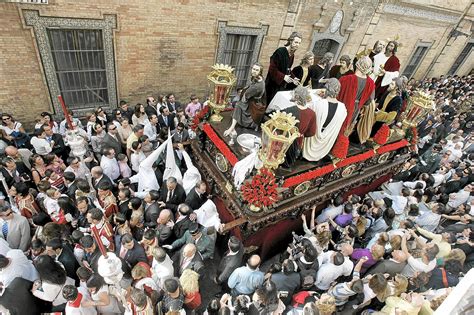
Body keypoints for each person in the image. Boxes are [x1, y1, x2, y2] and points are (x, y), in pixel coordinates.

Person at [331, 56, 375, 159]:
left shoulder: (346, 79)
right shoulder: (371, 83)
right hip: (355, 110)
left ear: (357, 65)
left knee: (335, 127)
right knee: (347, 129)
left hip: (340, 108)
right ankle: (337, 151)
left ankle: (330, 148)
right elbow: (368, 102)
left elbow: (334, 95)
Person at [302, 78, 347, 162]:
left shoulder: (318, 103)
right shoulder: (343, 108)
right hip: (324, 147)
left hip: (310, 141)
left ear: (326, 88)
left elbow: (305, 110)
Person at [224, 63, 266, 138]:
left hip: (254, 105)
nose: (254, 71)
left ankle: (232, 127)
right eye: (253, 69)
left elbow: (246, 97)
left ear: (260, 72)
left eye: (257, 70)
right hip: (253, 100)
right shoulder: (258, 78)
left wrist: (242, 95)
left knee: (238, 105)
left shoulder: (257, 86)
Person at [282, 86, 316, 167]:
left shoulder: (288, 110)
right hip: (298, 141)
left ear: (296, 97)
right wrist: (301, 133)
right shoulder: (311, 113)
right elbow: (311, 132)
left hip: (285, 140)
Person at [265, 31, 302, 103]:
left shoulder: (292, 55)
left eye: (299, 43)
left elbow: (288, 69)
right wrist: (283, 77)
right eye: (296, 42)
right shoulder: (280, 51)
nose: (297, 45)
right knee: (269, 103)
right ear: (291, 41)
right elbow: (272, 69)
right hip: (272, 85)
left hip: (281, 85)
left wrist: (294, 78)